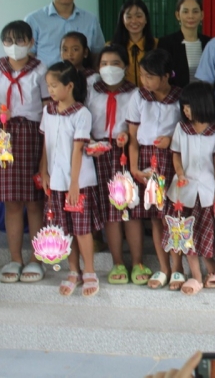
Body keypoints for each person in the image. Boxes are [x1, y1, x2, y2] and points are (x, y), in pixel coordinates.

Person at [0, 21, 48, 284]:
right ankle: (15, 258)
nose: (14, 46)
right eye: (8, 41)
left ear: (30, 41)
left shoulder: (41, 71)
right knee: (12, 202)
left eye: (20, 40)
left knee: (35, 202)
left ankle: (37, 259)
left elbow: (50, 109)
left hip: (32, 136)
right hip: (3, 137)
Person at [39, 61, 102, 297]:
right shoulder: (48, 111)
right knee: (63, 229)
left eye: (54, 85)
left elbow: (78, 150)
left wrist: (74, 184)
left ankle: (90, 271)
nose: (51, 90)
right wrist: (44, 172)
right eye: (48, 86)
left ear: (70, 86)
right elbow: (46, 145)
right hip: (55, 181)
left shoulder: (81, 113)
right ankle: (72, 270)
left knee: (82, 229)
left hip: (78, 181)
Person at [126, 49, 183, 289]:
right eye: (142, 75)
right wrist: (134, 168)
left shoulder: (180, 97)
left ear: (166, 75)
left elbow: (188, 132)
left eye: (150, 76)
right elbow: (133, 138)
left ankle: (178, 269)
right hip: (147, 160)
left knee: (173, 215)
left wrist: (172, 141)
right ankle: (163, 269)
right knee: (155, 217)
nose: (145, 81)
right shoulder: (139, 96)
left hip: (172, 159)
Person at [85, 44, 140, 285]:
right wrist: (89, 142)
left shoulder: (135, 92)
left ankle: (137, 263)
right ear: (98, 68)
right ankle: (118, 261)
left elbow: (138, 124)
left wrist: (127, 136)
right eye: (104, 64)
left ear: (125, 67)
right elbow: (84, 120)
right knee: (111, 213)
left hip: (125, 153)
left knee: (130, 210)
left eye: (115, 64)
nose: (109, 69)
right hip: (98, 155)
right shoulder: (91, 91)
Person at [165, 81, 215, 296]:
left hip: (206, 189)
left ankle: (210, 266)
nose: (186, 111)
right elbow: (176, 154)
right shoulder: (182, 128)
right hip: (184, 190)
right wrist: (179, 173)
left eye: (189, 106)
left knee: (203, 233)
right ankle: (196, 276)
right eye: (184, 107)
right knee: (185, 233)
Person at [25, 0, 105, 66]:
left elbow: (97, 54)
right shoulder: (34, 19)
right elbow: (28, 55)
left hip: (82, 79)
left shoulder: (90, 20)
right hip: (46, 80)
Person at [157, 0, 211, 89]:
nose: (191, 16)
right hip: (176, 99)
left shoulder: (210, 43)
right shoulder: (165, 43)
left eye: (195, 11)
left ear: (202, 15)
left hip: (204, 99)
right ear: (178, 15)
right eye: (185, 12)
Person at [110, 0, 158, 89]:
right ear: (122, 20)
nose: (134, 21)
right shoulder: (112, 47)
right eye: (129, 17)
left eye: (139, 16)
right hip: (122, 98)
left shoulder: (157, 45)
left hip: (151, 98)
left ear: (146, 19)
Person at [60, 31, 99, 99]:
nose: (69, 54)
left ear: (85, 52)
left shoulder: (93, 78)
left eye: (75, 49)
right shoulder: (57, 77)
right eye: (65, 50)